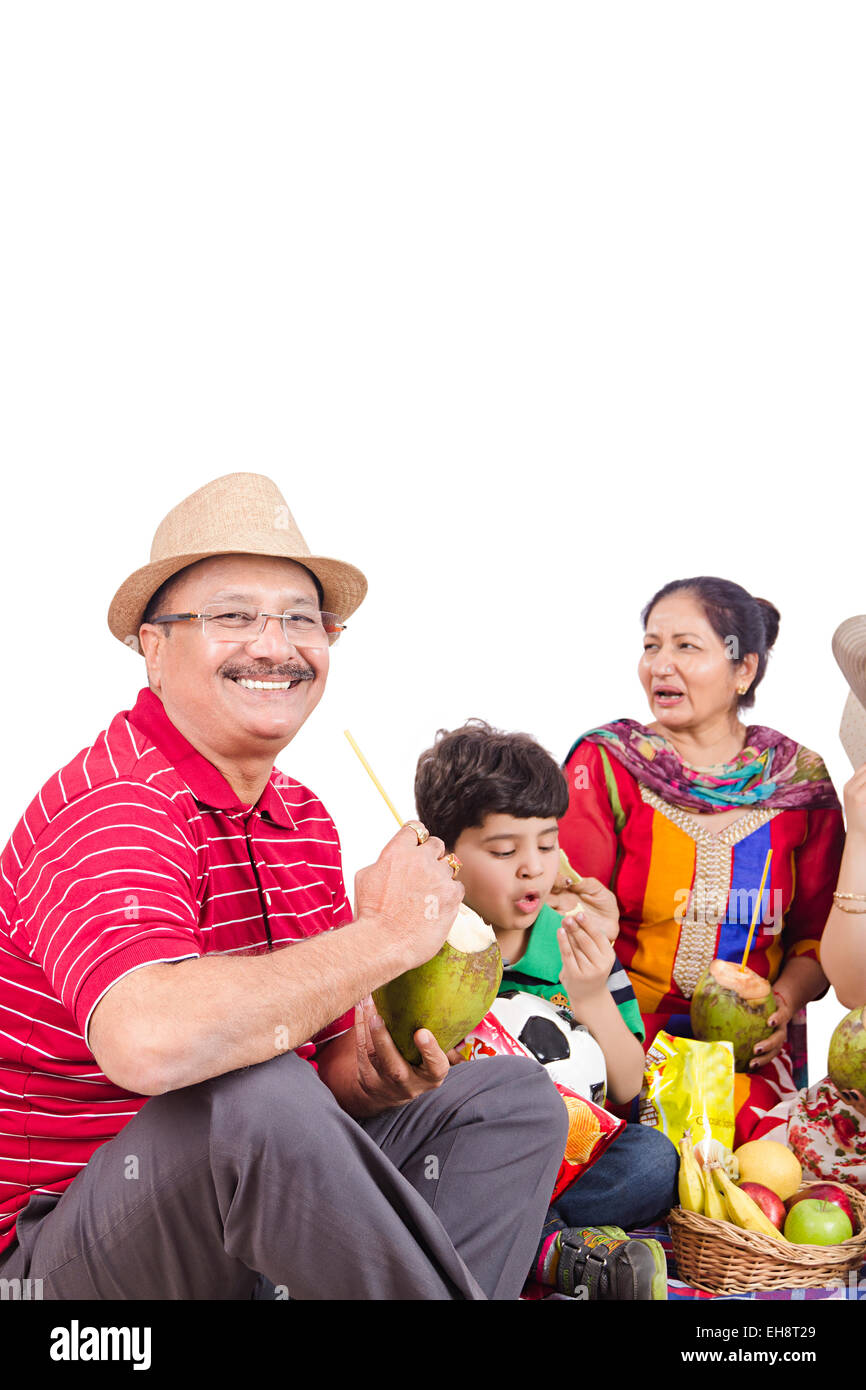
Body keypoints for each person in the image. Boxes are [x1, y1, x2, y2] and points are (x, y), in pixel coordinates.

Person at [0, 472, 568, 1301]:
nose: (276, 645)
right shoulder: (115, 801)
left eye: (303, 618)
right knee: (250, 1093)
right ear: (152, 647)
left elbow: (317, 1074)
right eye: (233, 616)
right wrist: (387, 937)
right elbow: (152, 1041)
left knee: (512, 1101)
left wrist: (369, 1076)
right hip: (64, 1254)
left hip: (236, 1220)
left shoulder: (301, 816)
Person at [558, 576, 845, 1147]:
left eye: (686, 646)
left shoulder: (798, 783)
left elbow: (819, 933)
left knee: (766, 1186)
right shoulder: (607, 765)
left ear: (745, 669)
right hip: (616, 1046)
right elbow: (565, 911)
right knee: (633, 1173)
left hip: (751, 1066)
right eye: (650, 646)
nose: (660, 665)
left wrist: (783, 1000)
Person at [414, 720, 678, 1301]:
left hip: (570, 1165)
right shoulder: (418, 949)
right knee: (409, 1172)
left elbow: (629, 1087)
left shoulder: (575, 942)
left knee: (655, 1161)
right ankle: (551, 1250)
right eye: (505, 850)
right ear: (444, 855)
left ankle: (520, 1239)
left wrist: (589, 998)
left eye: (548, 843)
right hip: (470, 1161)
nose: (534, 866)